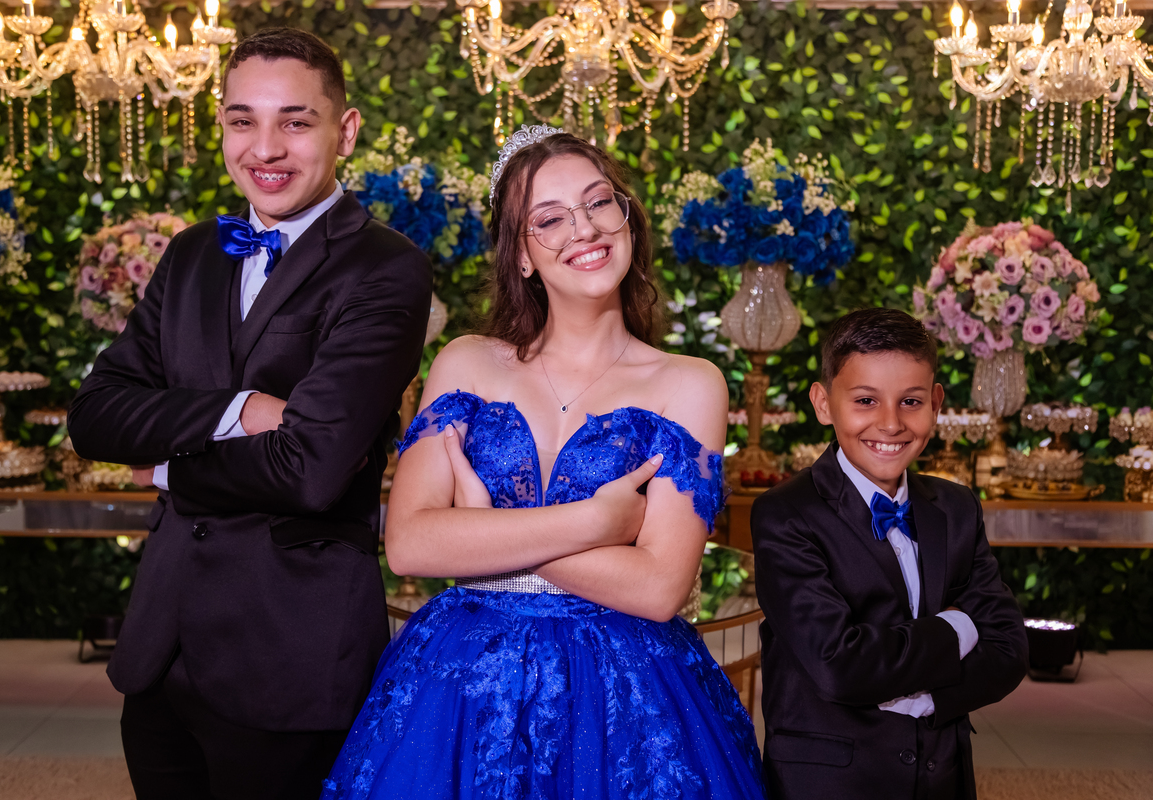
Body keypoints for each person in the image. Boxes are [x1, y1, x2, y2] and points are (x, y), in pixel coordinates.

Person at [320, 126, 767, 799]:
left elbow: (658, 588)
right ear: (522, 255)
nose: (583, 229)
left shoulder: (689, 382)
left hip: (625, 695)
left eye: (598, 202)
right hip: (464, 685)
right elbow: (411, 544)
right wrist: (595, 522)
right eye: (550, 219)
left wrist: (486, 530)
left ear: (627, 219)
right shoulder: (466, 362)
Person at [66, 27, 433, 800]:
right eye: (243, 120)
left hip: (290, 651)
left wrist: (164, 466)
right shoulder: (191, 253)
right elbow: (95, 416)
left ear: (345, 131)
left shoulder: (386, 267)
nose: (264, 148)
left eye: (295, 122)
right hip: (161, 646)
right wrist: (240, 408)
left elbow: (309, 470)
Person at [751, 307, 1029, 800]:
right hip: (832, 782)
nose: (890, 423)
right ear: (823, 403)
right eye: (865, 400)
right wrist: (958, 627)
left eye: (911, 402)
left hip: (942, 775)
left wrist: (927, 698)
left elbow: (1008, 648)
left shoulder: (956, 507)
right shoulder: (785, 514)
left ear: (935, 403)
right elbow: (838, 665)